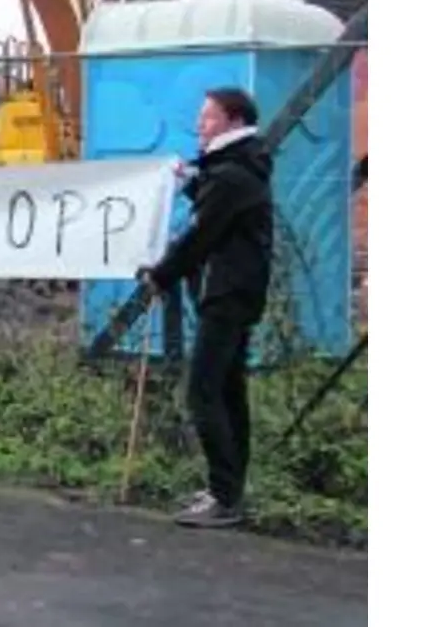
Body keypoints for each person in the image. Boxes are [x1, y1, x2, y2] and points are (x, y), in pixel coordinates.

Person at [140, 86, 273, 529]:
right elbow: (218, 208)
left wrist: (160, 275)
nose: (200, 125)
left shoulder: (232, 176)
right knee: (229, 391)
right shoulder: (237, 169)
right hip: (237, 293)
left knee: (204, 391)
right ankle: (228, 490)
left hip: (227, 295)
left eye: (209, 118)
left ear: (234, 122)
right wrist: (192, 181)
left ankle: (224, 497)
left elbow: (202, 237)